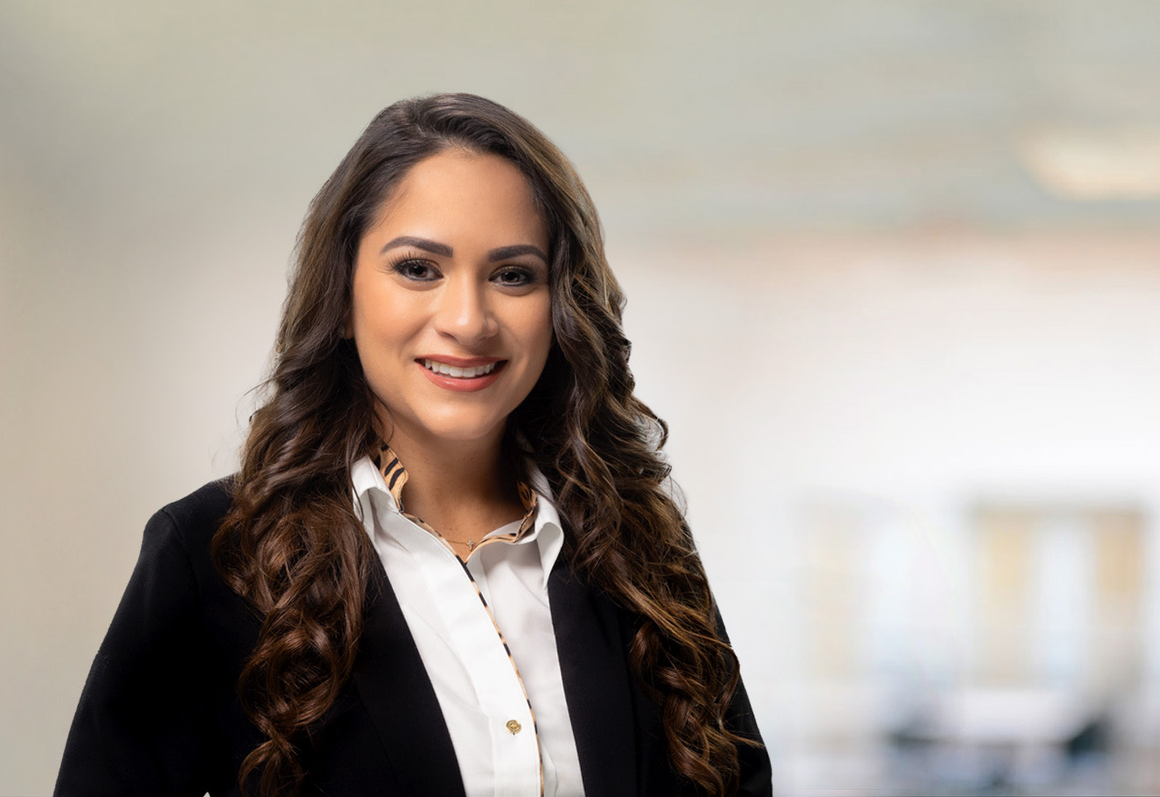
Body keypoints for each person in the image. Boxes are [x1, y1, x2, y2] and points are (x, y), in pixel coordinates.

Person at [56, 93, 769, 797]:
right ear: (341, 295)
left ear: (561, 308)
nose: (468, 319)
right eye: (418, 268)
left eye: (513, 274)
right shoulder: (214, 554)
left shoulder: (642, 548)